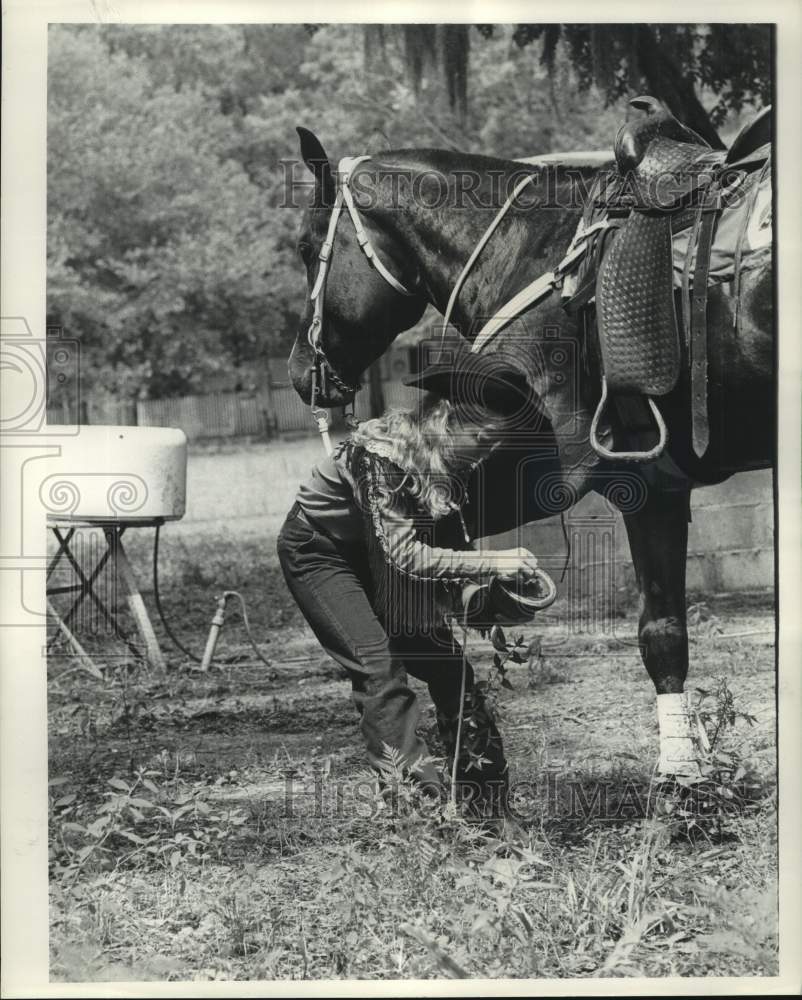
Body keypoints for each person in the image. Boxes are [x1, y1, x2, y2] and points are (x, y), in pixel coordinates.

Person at [276, 350, 539, 813]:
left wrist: (482, 601)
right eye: (481, 438)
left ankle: (488, 805)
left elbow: (442, 546)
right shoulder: (380, 455)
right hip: (323, 554)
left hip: (381, 559)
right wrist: (493, 562)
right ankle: (421, 813)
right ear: (445, 420)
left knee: (448, 667)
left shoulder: (453, 466)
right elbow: (404, 554)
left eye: (494, 443)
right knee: (380, 669)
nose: (486, 452)